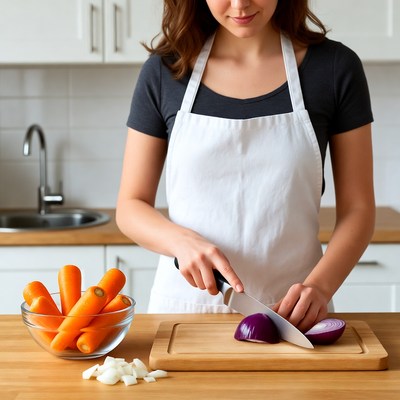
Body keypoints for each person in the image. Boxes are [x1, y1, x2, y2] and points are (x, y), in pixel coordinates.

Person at [116, 0, 375, 332]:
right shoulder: (165, 71)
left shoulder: (336, 68)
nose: (240, 5)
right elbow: (130, 206)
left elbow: (359, 209)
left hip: (293, 317)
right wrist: (179, 241)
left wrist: (321, 287)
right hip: (183, 317)